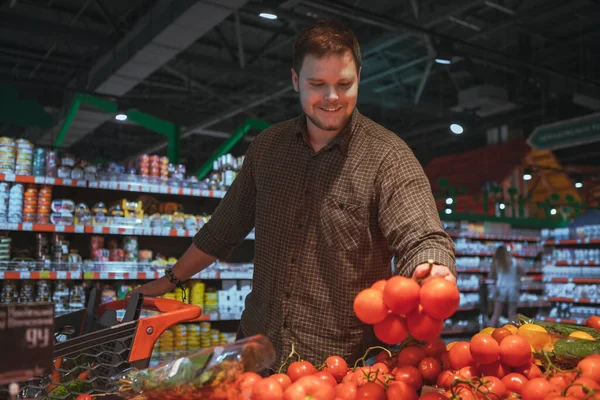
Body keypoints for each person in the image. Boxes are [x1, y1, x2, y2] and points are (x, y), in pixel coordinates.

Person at [133, 19, 456, 370]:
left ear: (359, 78)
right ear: (294, 81)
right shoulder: (268, 148)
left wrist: (433, 269)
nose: (332, 98)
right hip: (256, 349)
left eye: (344, 84)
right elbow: (222, 230)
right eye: (317, 84)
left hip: (337, 368)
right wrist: (168, 281)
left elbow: (422, 236)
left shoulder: (387, 157)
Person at [488, 245, 524, 327]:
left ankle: (489, 332)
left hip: (500, 288)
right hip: (513, 288)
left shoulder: (496, 263)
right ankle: (512, 333)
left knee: (496, 313)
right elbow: (523, 272)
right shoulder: (514, 261)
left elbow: (491, 276)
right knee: (512, 314)